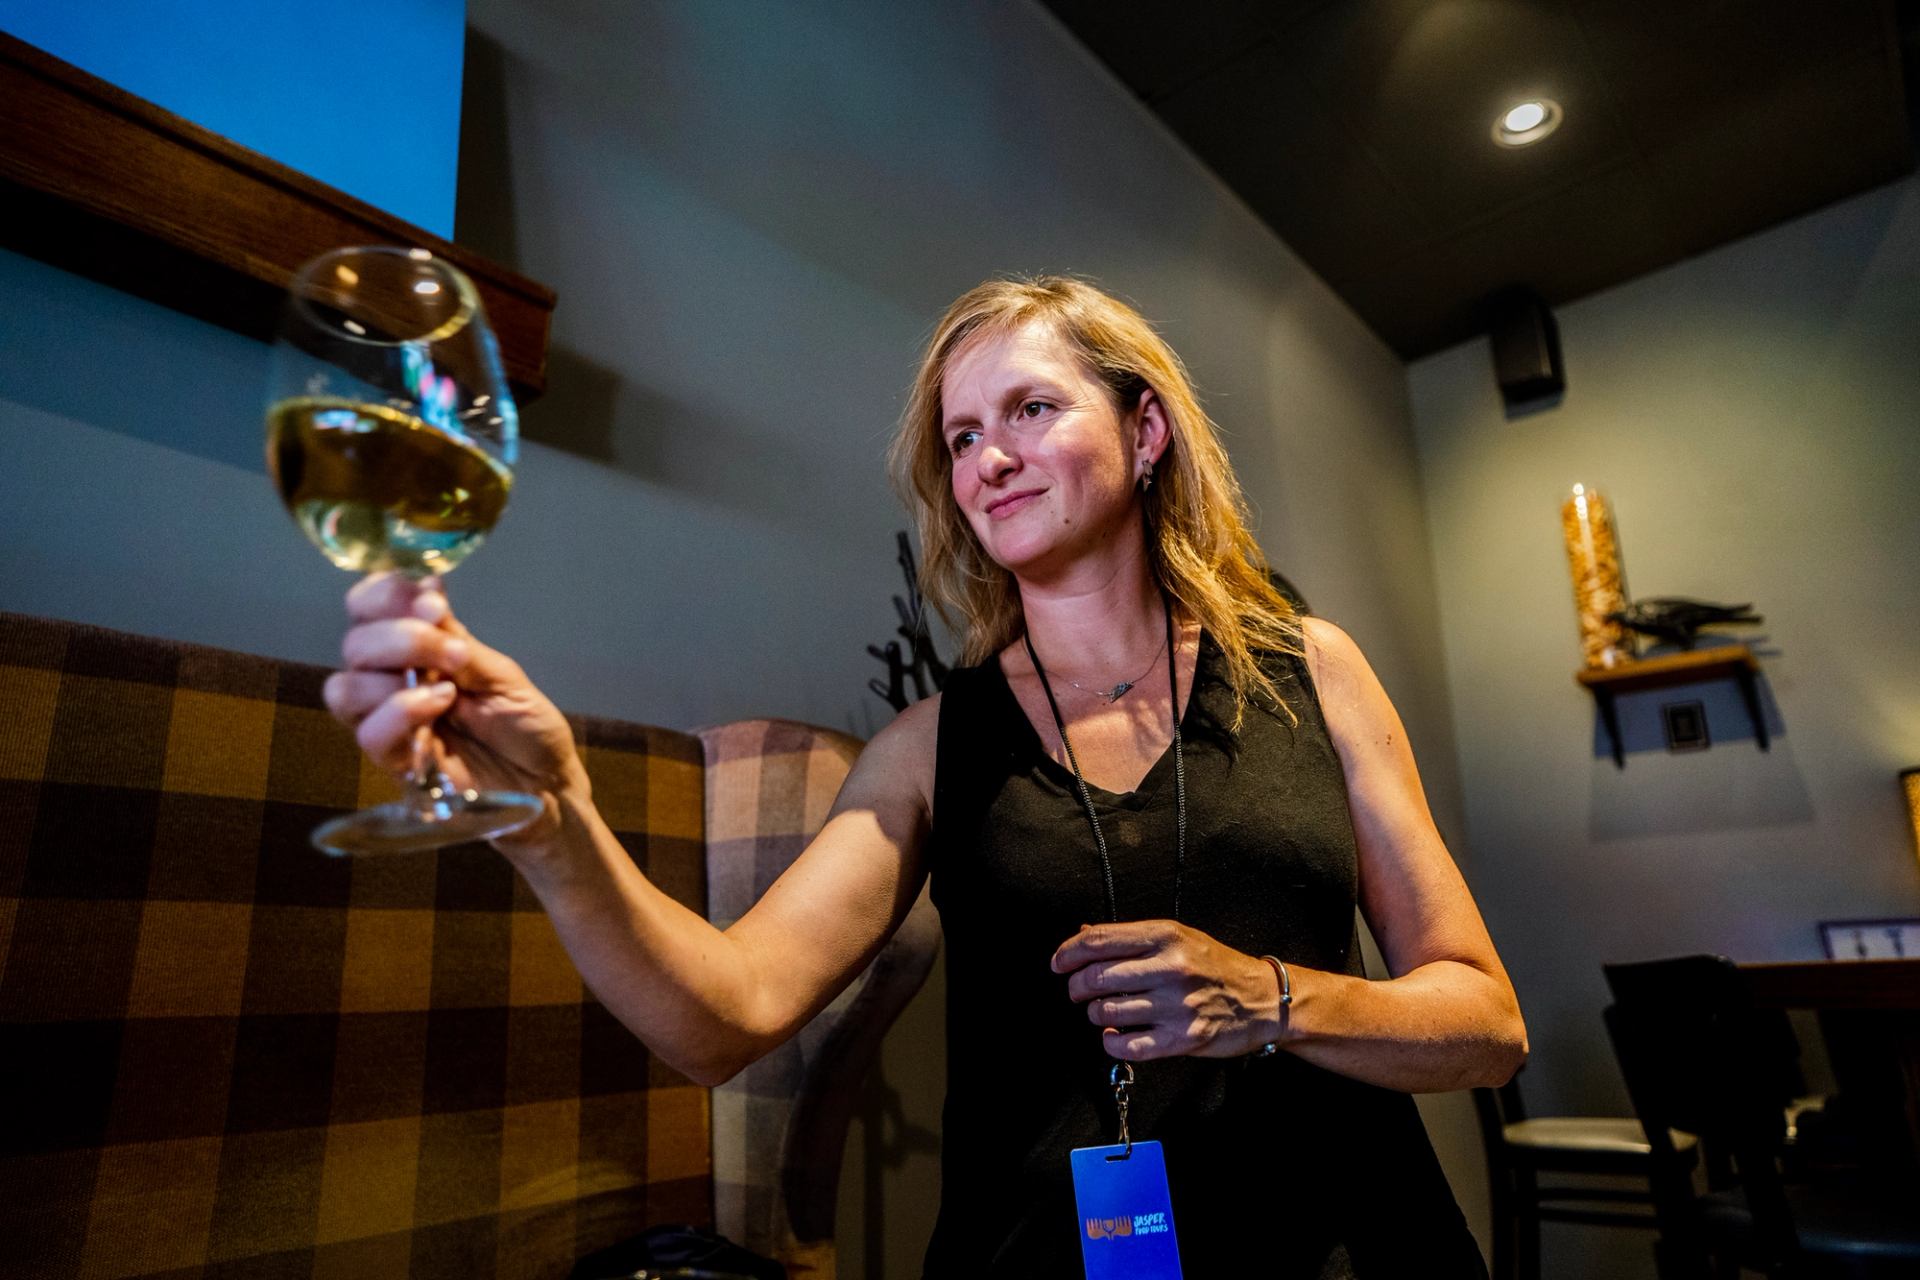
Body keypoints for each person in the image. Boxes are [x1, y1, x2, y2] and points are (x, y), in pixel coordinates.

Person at [327, 276, 1527, 1277]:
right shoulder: (927, 748)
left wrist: (1269, 998)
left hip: (1352, 1250)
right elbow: (724, 1013)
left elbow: (1487, 1022)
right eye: (963, 436)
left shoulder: (1308, 671)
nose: (991, 456)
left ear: (1145, 430)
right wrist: (553, 815)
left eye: (1032, 409)